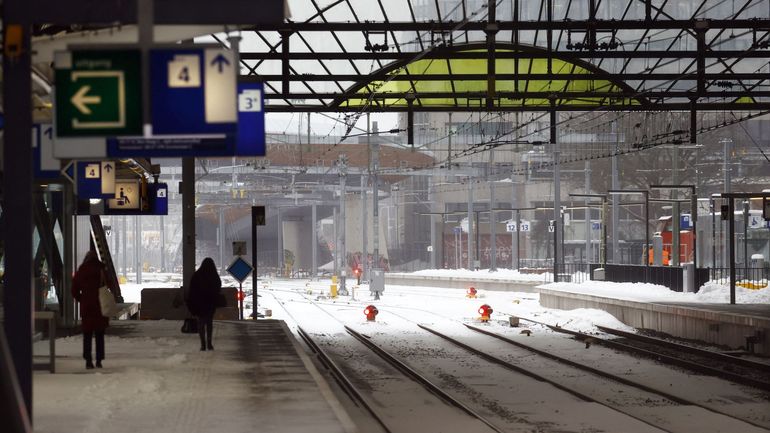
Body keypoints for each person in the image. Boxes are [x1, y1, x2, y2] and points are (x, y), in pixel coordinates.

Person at [72, 251, 109, 369]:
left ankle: (88, 361)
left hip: (87, 306)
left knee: (87, 335)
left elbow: (74, 289)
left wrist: (81, 299)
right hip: (100, 305)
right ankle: (99, 360)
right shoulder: (102, 269)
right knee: (99, 334)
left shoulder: (81, 270)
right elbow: (110, 284)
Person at [187, 258, 222, 351]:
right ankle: (209, 344)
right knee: (209, 323)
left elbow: (192, 291)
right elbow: (218, 287)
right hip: (210, 304)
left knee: (201, 323)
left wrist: (192, 303)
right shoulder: (214, 276)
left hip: (199, 304)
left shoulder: (197, 275)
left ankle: (203, 344)